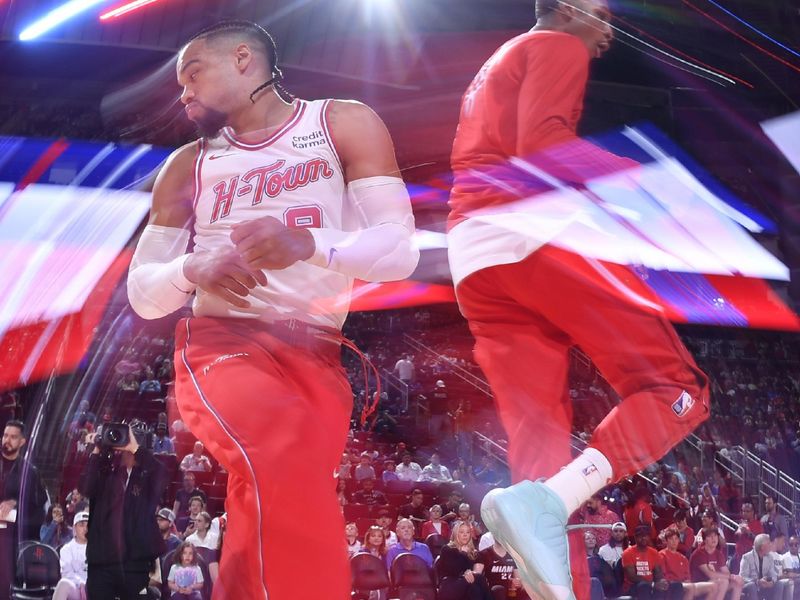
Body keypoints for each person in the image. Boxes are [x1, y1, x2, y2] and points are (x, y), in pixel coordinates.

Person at [126, 19, 418, 600]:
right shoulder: (188, 165)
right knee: (279, 455)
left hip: (318, 352)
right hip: (224, 342)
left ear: (243, 60)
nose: (181, 94)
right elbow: (142, 292)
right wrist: (193, 268)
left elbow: (399, 249)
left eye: (192, 74)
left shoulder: (340, 123)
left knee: (270, 490)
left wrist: (311, 244)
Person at [447, 1, 711, 599]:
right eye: (603, 15)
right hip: (533, 235)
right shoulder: (555, 45)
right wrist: (646, 179)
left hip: (473, 258)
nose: (609, 35)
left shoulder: (497, 61)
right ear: (568, 9)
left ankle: (560, 581)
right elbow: (543, 144)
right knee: (678, 390)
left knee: (537, 452)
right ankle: (556, 498)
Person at [80, 423, 168, 599]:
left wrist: (135, 448)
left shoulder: (146, 477)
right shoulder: (105, 472)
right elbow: (85, 487)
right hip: (101, 560)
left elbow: (162, 475)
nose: (124, 447)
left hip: (134, 562)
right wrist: (96, 450)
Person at [0, 420, 47, 540]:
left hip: (12, 537)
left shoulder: (30, 472)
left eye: (13, 437)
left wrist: (16, 502)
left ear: (22, 442)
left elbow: (39, 502)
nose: (7, 440)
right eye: (5, 435)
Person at [436, 522, 493, 600]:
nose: (465, 535)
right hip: (450, 585)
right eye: (461, 532)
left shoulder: (474, 553)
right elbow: (453, 571)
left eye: (468, 532)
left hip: (469, 585)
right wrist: (463, 553)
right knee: (477, 581)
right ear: (456, 534)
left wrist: (470, 574)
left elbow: (476, 574)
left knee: (475, 589)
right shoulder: (447, 549)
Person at [659, 526, 718, 600]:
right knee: (690, 588)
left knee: (713, 586)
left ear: (678, 540)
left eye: (676, 539)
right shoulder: (662, 555)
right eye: (671, 539)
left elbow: (688, 577)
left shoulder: (683, 558)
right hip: (672, 585)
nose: (674, 541)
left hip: (686, 584)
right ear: (667, 541)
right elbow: (663, 576)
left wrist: (687, 581)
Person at [689, 528, 744, 600]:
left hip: (715, 582)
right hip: (699, 584)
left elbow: (726, 572)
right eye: (710, 536)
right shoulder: (699, 554)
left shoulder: (718, 554)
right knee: (723, 581)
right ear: (705, 540)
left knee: (737, 582)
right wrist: (730, 576)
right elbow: (710, 574)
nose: (713, 538)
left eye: (715, 536)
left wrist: (734, 577)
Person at [621, 526, 670, 599]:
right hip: (632, 586)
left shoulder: (654, 552)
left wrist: (661, 582)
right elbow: (632, 577)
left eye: (646, 535)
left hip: (650, 584)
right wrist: (652, 584)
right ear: (635, 537)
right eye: (640, 536)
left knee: (675, 585)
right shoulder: (627, 553)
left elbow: (658, 573)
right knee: (644, 586)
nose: (643, 538)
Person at [53, 510, 90, 600]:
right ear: (74, 528)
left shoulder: (98, 547)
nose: (85, 529)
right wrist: (81, 583)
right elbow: (67, 573)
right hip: (77, 587)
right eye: (81, 525)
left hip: (96, 588)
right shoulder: (67, 549)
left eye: (88, 525)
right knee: (63, 584)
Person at [740, 534, 784, 600]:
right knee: (752, 586)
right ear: (762, 547)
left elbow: (773, 574)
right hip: (751, 586)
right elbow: (743, 577)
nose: (771, 545)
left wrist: (772, 582)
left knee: (779, 584)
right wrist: (757, 582)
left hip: (764, 585)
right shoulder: (747, 557)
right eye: (769, 543)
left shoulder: (769, 557)